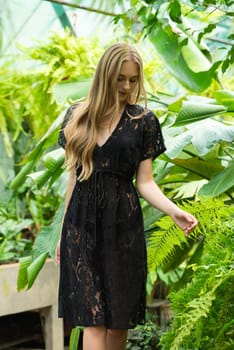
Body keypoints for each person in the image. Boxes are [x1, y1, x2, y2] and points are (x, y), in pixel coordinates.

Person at [55, 42, 197, 350]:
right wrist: (62, 233)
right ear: (105, 75)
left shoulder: (143, 121)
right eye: (120, 78)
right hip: (82, 227)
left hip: (123, 228)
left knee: (117, 325)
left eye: (133, 79)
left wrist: (173, 211)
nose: (127, 86)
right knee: (93, 321)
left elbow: (145, 183)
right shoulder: (76, 116)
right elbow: (73, 178)